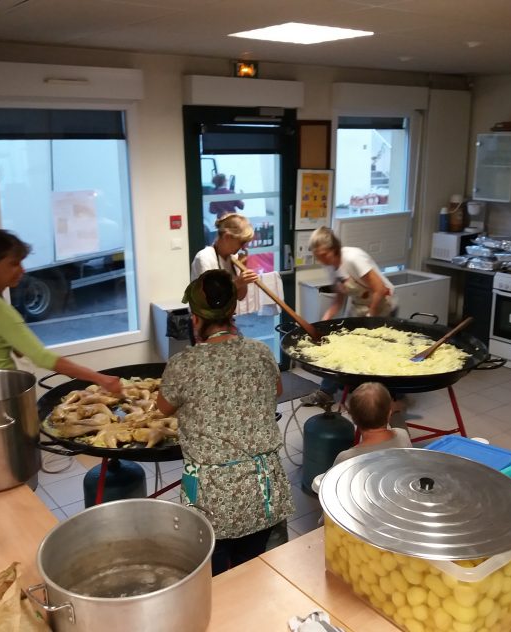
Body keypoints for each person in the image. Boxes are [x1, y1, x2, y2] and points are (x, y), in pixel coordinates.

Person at [157, 270, 294, 575]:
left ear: (195, 319)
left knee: (217, 582)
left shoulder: (183, 365)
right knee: (255, 575)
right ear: (233, 310)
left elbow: (163, 407)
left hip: (211, 500)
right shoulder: (260, 352)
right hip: (262, 491)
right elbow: (276, 390)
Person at [0, 229, 121, 393]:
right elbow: (42, 357)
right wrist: (101, 379)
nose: (22, 270)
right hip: (4, 395)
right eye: (14, 264)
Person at [301, 226, 398, 407]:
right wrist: (324, 321)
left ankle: (385, 398)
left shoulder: (353, 258)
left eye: (323, 255)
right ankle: (326, 393)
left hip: (382, 306)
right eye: (317, 256)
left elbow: (379, 289)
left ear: (334, 248)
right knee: (339, 347)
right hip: (359, 308)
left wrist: (370, 317)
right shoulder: (332, 267)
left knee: (376, 353)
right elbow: (338, 300)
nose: (320, 260)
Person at [332, 382, 411, 466]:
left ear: (353, 419)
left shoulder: (346, 458)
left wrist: (344, 413)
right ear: (389, 414)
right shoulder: (403, 434)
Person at [191, 213, 258, 301]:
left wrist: (243, 270)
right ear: (227, 237)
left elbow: (240, 296)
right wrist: (238, 283)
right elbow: (210, 298)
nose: (243, 248)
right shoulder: (204, 257)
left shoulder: (234, 258)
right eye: (241, 242)